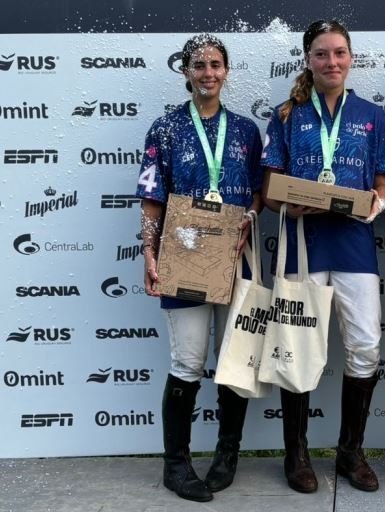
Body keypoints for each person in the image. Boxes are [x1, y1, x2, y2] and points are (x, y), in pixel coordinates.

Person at [260, 20, 385, 493]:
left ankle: (349, 453)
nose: (331, 62)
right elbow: (270, 187)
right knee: (297, 352)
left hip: (355, 248)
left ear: (351, 57)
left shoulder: (374, 116)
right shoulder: (285, 115)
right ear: (308, 60)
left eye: (339, 53)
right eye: (321, 54)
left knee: (365, 349)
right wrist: (286, 202)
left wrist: (376, 206)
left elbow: (381, 184)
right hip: (303, 246)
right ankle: (296, 454)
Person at [136, 33, 263, 502]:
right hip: (183, 254)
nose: (208, 72)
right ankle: (176, 465)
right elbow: (152, 198)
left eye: (215, 64)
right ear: (186, 72)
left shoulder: (247, 131)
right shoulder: (164, 129)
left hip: (232, 256)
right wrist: (149, 253)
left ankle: (226, 456)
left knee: (231, 361)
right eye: (199, 65)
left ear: (226, 71)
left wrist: (249, 217)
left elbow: (255, 193)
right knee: (187, 362)